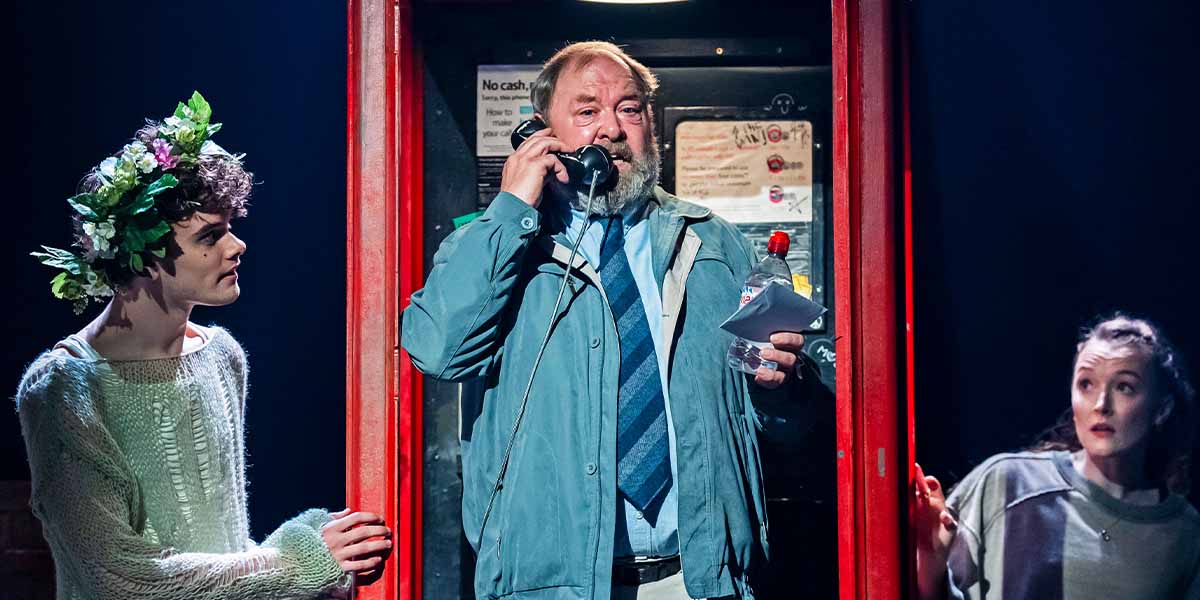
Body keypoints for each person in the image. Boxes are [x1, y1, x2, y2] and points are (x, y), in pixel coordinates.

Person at [402, 42, 827, 599]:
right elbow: (436, 350)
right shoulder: (497, 245)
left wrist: (782, 388)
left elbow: (785, 427)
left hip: (700, 580)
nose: (612, 129)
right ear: (540, 135)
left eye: (630, 109)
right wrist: (511, 210)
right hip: (553, 587)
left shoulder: (713, 244)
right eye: (587, 111)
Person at [17, 92, 391, 599]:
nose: (237, 246)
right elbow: (120, 580)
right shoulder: (65, 388)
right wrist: (300, 560)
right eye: (210, 237)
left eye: (230, 229)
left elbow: (226, 548)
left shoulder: (220, 356)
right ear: (145, 257)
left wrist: (314, 547)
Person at [914, 314, 1200, 599]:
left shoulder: (1186, 534)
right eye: (1086, 384)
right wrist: (930, 565)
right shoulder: (1009, 484)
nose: (1101, 404)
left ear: (1161, 408)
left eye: (1124, 386)